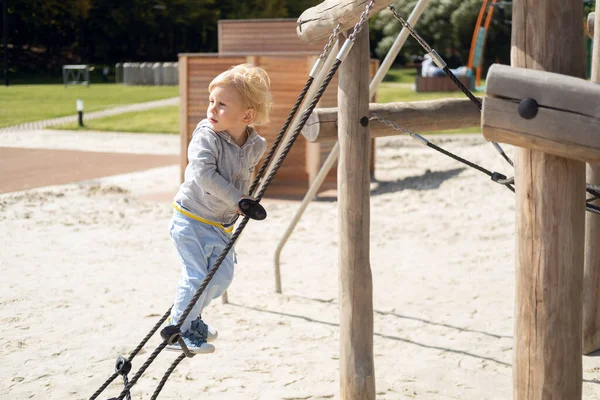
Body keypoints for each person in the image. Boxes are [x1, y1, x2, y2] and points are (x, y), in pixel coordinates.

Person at [165, 64, 270, 354]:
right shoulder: (206, 136)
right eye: (212, 101)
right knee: (196, 276)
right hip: (190, 219)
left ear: (247, 116)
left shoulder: (255, 145)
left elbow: (245, 176)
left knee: (221, 278)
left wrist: (245, 199)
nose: (212, 108)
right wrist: (237, 199)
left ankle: (192, 317)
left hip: (221, 225)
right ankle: (178, 331)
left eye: (222, 104)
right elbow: (203, 174)